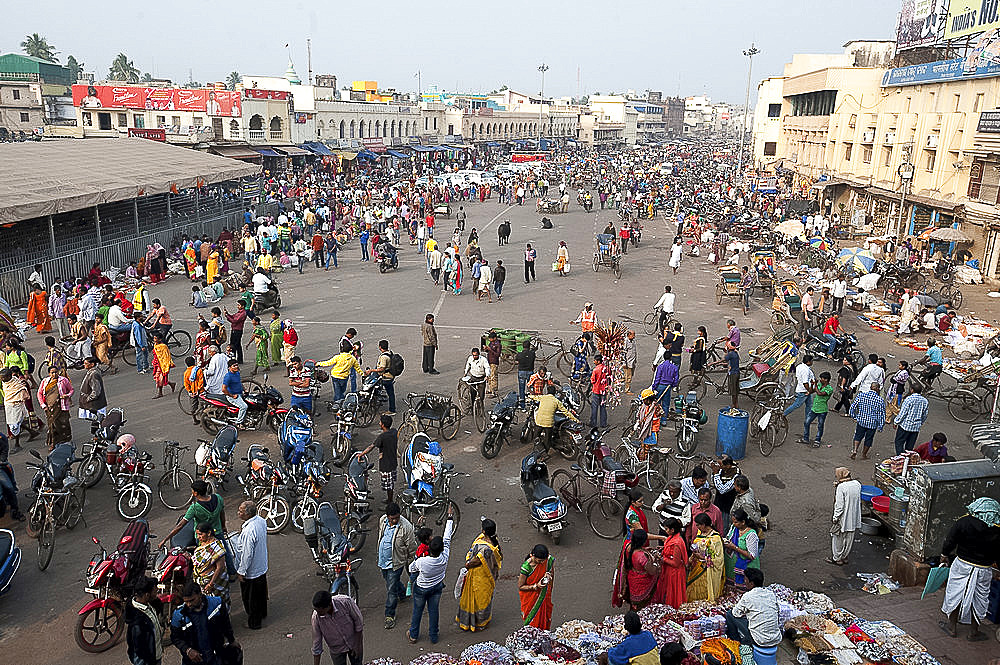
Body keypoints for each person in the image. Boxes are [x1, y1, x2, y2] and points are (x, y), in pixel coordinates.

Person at [939, 497, 1000, 641]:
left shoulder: (964, 521)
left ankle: (952, 627)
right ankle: (973, 632)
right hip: (984, 569)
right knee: (979, 598)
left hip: (962, 565)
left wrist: (944, 554)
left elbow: (950, 540)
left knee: (955, 593)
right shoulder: (997, 530)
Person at [408, 507, 455, 644]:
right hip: (437, 586)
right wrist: (450, 517)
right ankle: (433, 636)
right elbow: (447, 536)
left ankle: (413, 635)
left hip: (421, 588)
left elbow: (412, 568)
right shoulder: (445, 556)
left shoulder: (422, 561)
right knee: (434, 612)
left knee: (417, 611)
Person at [170, 582, 238, 665]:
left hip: (216, 657)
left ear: (200, 594)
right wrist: (188, 650)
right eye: (186, 602)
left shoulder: (217, 604)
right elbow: (175, 637)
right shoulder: (179, 615)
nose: (189, 604)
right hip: (194, 660)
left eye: (192, 600)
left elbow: (226, 625)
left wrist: (232, 640)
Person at [457, 517, 503, 632]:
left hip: (479, 578)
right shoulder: (493, 542)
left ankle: (478, 623)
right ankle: (482, 622)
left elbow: (474, 562)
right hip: (487, 578)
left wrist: (467, 564)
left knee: (478, 601)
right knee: (484, 600)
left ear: (483, 531)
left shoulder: (484, 548)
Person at [375, 502, 416, 630]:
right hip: (383, 561)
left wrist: (409, 562)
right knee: (390, 581)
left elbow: (412, 547)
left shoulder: (406, 527)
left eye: (397, 517)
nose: (395, 520)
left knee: (391, 590)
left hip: (396, 563)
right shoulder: (382, 521)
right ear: (387, 516)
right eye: (392, 518)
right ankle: (402, 594)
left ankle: (389, 614)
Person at [725, 568, 781, 648]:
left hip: (759, 640)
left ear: (751, 584)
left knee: (729, 614)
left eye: (745, 579)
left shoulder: (748, 596)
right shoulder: (770, 594)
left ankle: (736, 643)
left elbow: (735, 613)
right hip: (775, 638)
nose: (744, 581)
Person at [235, 500, 268, 629]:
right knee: (261, 594)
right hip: (261, 565)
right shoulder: (261, 521)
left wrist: (241, 571)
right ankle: (263, 613)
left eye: (241, 511)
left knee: (251, 598)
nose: (238, 513)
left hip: (252, 570)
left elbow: (247, 554)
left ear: (248, 514)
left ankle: (254, 623)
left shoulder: (249, 530)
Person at [612, 529, 661, 611]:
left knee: (635, 604)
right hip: (642, 583)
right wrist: (657, 562)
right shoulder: (642, 557)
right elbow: (652, 571)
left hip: (632, 579)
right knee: (645, 606)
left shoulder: (628, 546)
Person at [311, 589, 364, 665]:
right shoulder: (316, 617)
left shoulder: (345, 602)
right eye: (316, 610)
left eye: (320, 611)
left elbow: (358, 622)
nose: (318, 613)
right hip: (336, 649)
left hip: (354, 642)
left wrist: (357, 645)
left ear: (329, 605)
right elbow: (317, 643)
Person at [687, 512, 725, 602]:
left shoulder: (715, 538)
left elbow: (719, 559)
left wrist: (703, 558)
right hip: (696, 566)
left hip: (707, 570)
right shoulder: (700, 532)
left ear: (704, 525)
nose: (697, 527)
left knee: (703, 590)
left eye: (698, 525)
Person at [125, 576, 163, 665]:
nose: (157, 592)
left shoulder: (149, 603)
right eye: (155, 591)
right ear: (147, 595)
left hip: (155, 655)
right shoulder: (138, 622)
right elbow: (140, 649)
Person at [192, 522, 230, 609]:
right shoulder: (203, 544)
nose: (198, 537)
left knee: (218, 605)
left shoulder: (217, 547)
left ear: (209, 533)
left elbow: (220, 568)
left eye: (200, 534)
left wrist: (210, 584)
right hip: (202, 582)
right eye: (197, 534)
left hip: (215, 584)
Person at [828, 467, 862, 566]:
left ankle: (837, 558)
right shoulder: (857, 484)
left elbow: (839, 506)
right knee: (849, 538)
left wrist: (835, 518)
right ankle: (845, 556)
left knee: (838, 539)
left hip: (843, 518)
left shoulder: (841, 487)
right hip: (854, 517)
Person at [518, 543, 555, 629]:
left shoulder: (547, 560)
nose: (542, 563)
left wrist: (549, 579)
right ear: (532, 556)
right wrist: (536, 586)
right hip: (530, 598)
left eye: (543, 561)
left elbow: (552, 574)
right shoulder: (526, 568)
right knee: (532, 622)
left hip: (544, 596)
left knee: (544, 619)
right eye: (539, 561)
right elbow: (521, 586)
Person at [654, 517, 688, 609]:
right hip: (669, 571)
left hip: (674, 574)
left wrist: (662, 558)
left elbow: (675, 563)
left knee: (672, 596)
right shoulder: (672, 537)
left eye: (666, 529)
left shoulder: (677, 543)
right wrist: (663, 549)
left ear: (672, 530)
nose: (665, 531)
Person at [37, 365, 73, 449]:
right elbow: (39, 393)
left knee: (64, 423)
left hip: (62, 406)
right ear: (49, 374)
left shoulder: (63, 380)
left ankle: (65, 440)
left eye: (56, 372)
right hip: (49, 408)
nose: (54, 374)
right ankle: (54, 442)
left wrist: (67, 395)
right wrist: (43, 405)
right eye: (52, 372)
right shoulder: (45, 381)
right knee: (52, 425)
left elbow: (71, 390)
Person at [723, 508, 760, 588]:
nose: (733, 524)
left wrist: (734, 547)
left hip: (746, 567)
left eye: (736, 522)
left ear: (743, 522)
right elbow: (729, 537)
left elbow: (752, 555)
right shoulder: (734, 528)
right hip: (732, 565)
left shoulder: (751, 535)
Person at [849, 383, 886, 460]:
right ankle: (864, 454)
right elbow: (882, 415)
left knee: (858, 436)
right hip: (872, 424)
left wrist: (854, 416)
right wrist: (880, 426)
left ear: (870, 387)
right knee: (869, 439)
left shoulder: (861, 396)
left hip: (861, 421)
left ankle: (855, 450)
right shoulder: (880, 400)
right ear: (878, 389)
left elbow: (852, 407)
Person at [894, 383, 928, 454]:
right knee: (910, 446)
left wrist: (896, 422)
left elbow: (903, 413)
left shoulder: (909, 399)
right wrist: (920, 422)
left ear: (912, 390)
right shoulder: (924, 401)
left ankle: (900, 458)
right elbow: (925, 415)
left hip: (905, 426)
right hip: (916, 427)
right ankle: (907, 459)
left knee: (899, 442)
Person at [802, 371, 833, 447]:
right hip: (814, 408)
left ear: (826, 379)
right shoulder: (819, 385)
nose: (820, 380)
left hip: (822, 410)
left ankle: (817, 440)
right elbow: (811, 391)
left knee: (820, 426)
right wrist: (813, 385)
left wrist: (815, 385)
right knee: (806, 422)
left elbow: (820, 393)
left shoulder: (829, 389)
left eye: (822, 378)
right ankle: (806, 438)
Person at [78, 356, 107, 421]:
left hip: (95, 404)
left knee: (98, 422)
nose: (84, 365)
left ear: (92, 364)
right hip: (93, 404)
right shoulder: (91, 372)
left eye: (86, 363)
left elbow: (96, 391)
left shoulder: (94, 374)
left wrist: (88, 399)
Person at [150, 333, 176, 399]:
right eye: (154, 338)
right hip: (157, 364)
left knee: (160, 379)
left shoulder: (164, 346)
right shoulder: (155, 345)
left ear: (160, 339)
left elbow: (166, 356)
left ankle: (160, 393)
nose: (154, 340)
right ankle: (171, 384)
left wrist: (166, 366)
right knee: (158, 378)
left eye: (156, 338)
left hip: (162, 365)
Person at [590, 354, 610, 428]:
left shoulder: (595, 370)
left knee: (594, 407)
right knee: (603, 407)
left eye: (595, 360)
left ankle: (593, 423)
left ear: (598, 361)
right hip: (603, 391)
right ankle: (603, 423)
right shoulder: (606, 368)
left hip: (596, 391)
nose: (594, 362)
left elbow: (593, 381)